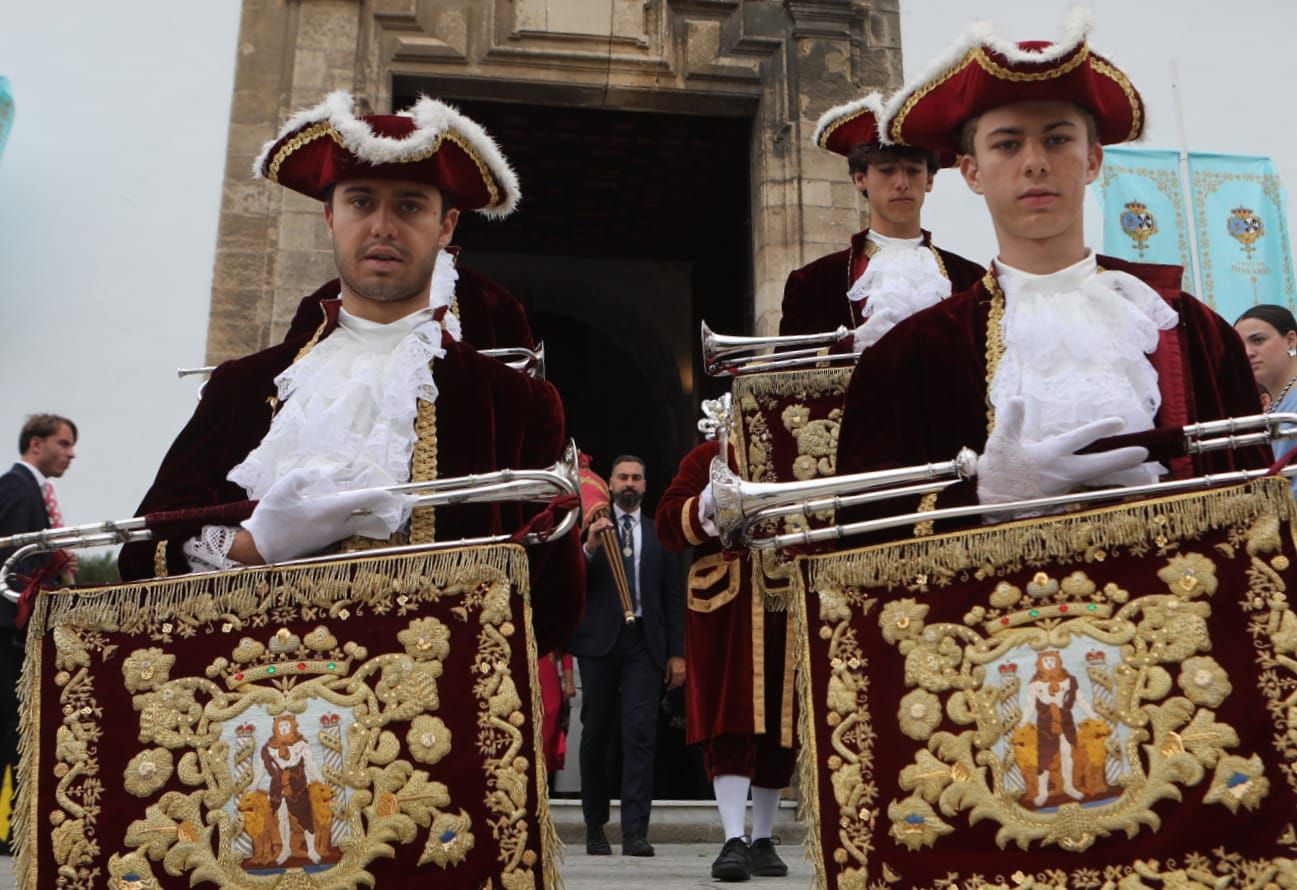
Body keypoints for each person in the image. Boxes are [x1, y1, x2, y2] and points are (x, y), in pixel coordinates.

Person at [117, 91, 583, 656]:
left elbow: (555, 609)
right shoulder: (242, 388)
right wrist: (251, 547)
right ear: (329, 217)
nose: (383, 226)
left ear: (446, 226)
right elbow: (141, 556)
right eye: (361, 203)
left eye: (410, 206)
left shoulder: (517, 403)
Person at [835, 15, 1267, 519]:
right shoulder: (904, 359)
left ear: (1093, 161)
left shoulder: (1195, 334)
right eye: (1008, 144)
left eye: (1058, 139)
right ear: (972, 171)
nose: (1035, 161)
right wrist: (979, 495)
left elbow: (1258, 517)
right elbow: (861, 536)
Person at [656, 439, 795, 882]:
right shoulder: (708, 455)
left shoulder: (796, 444)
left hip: (784, 600)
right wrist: (706, 502)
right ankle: (734, 836)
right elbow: (667, 522)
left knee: (780, 721)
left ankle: (764, 838)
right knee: (730, 717)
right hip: (725, 607)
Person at [780, 92, 984, 348]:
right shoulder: (815, 282)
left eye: (913, 171)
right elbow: (787, 378)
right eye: (887, 170)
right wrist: (852, 350)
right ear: (860, 179)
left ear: (929, 179)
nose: (901, 183)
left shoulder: (973, 280)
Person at [566, 455, 683, 858]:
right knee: (596, 733)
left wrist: (677, 655)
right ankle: (595, 826)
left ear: (645, 485)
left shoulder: (658, 535)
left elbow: (672, 598)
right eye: (622, 477)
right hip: (600, 643)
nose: (629, 483)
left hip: (643, 645)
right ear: (611, 484)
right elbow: (570, 581)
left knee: (639, 735)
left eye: (637, 477)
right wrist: (590, 547)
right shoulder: (590, 527)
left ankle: (635, 831)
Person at [0, 414, 77, 855]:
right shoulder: (17, 489)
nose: (70, 454)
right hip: (7, 632)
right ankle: (14, 830)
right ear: (36, 444)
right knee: (12, 729)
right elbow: (13, 566)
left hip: (10, 630)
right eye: (63, 444)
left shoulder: (29, 490)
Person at [1235, 304, 1297, 471]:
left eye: (1258, 340)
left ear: (1290, 340)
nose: (1248, 352)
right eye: (1239, 346)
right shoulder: (1277, 404)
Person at [538, 650, 576, 774]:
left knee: (549, 733)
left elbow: (565, 650)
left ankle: (543, 780)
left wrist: (569, 682)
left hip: (548, 680)